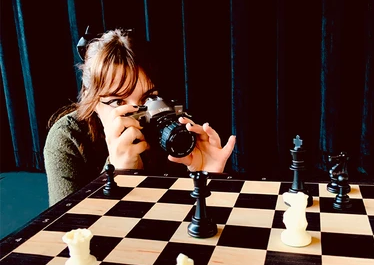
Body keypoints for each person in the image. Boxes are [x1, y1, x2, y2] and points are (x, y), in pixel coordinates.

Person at [44, 28, 236, 206]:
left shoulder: (171, 126)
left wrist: (209, 179)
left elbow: (195, 226)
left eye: (149, 98)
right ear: (90, 99)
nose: (137, 114)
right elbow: (68, 234)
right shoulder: (68, 137)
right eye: (119, 102)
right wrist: (116, 173)